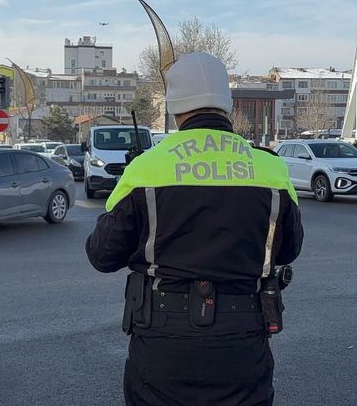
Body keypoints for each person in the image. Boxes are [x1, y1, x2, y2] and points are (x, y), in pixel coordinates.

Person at [86, 52, 304, 405]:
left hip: (162, 339)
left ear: (175, 107)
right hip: (243, 336)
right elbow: (290, 248)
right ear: (227, 105)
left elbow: (101, 254)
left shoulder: (147, 168)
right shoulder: (269, 168)